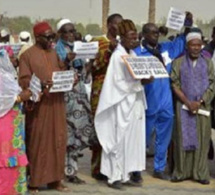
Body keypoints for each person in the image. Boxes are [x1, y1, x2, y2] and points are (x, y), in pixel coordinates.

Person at [133, 12, 193, 180]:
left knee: (163, 137)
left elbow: (183, 40)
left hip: (165, 101)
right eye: (152, 33)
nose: (156, 35)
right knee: (142, 138)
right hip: (146, 101)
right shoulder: (137, 53)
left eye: (157, 32)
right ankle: (136, 169)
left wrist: (187, 24)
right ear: (144, 34)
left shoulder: (165, 50)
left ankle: (159, 168)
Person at [95, 19, 152, 190]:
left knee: (131, 141)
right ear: (122, 38)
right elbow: (118, 83)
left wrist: (145, 80)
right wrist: (139, 82)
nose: (135, 41)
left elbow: (136, 79)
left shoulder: (133, 55)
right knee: (117, 140)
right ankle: (114, 177)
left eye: (136, 38)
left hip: (133, 104)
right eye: (131, 38)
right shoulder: (117, 56)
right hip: (120, 104)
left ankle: (126, 173)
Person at [19, 21, 69, 193]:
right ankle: (35, 181)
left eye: (52, 36)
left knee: (59, 140)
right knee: (38, 143)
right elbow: (23, 80)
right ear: (37, 37)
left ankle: (55, 180)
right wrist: (39, 83)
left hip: (57, 103)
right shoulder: (27, 56)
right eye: (48, 37)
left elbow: (62, 71)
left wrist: (70, 77)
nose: (51, 40)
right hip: (40, 106)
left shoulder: (54, 53)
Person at [170, 30, 215, 185]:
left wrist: (200, 101)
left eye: (198, 45)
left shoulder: (208, 63)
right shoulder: (178, 62)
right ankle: (181, 172)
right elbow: (174, 83)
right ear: (187, 46)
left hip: (202, 109)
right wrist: (187, 102)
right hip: (183, 107)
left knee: (202, 140)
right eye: (193, 45)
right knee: (182, 139)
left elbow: (212, 84)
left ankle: (201, 173)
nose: (196, 48)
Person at [55, 18, 96, 184]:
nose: (71, 34)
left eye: (73, 31)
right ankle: (59, 171)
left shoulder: (77, 50)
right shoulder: (56, 50)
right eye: (68, 31)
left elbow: (84, 77)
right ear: (60, 34)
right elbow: (55, 74)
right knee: (65, 135)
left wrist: (90, 62)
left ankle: (71, 171)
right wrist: (66, 61)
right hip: (64, 99)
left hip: (78, 97)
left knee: (78, 136)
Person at [90, 13, 123, 181]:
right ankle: (97, 167)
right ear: (109, 24)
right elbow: (93, 67)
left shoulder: (124, 43)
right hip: (100, 90)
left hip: (118, 92)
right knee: (100, 126)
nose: (120, 27)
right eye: (117, 24)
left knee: (115, 129)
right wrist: (109, 52)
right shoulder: (98, 42)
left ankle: (113, 167)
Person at [0, 48, 31, 195]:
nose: (14, 61)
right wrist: (19, 98)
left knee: (14, 158)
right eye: (11, 57)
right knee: (5, 159)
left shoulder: (7, 76)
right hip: (4, 124)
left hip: (14, 126)